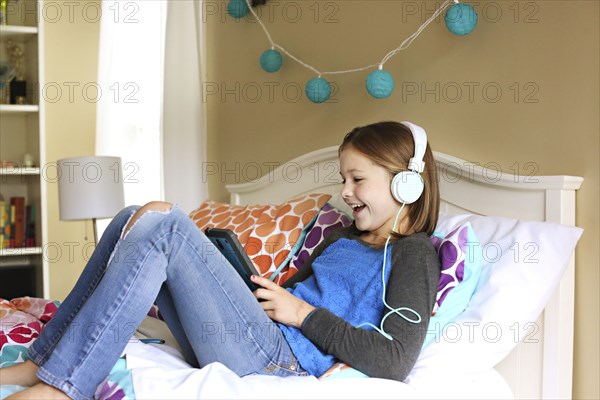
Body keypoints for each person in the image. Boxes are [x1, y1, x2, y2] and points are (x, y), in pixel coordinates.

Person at [2, 121, 441, 400]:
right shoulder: (346, 236)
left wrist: (303, 314)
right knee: (130, 218)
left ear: (406, 185)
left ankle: (64, 388)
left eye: (358, 179)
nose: (346, 192)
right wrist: (256, 287)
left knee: (166, 224)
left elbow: (395, 360)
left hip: (284, 361)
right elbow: (291, 293)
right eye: (343, 179)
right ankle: (45, 359)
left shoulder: (413, 253)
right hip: (258, 335)